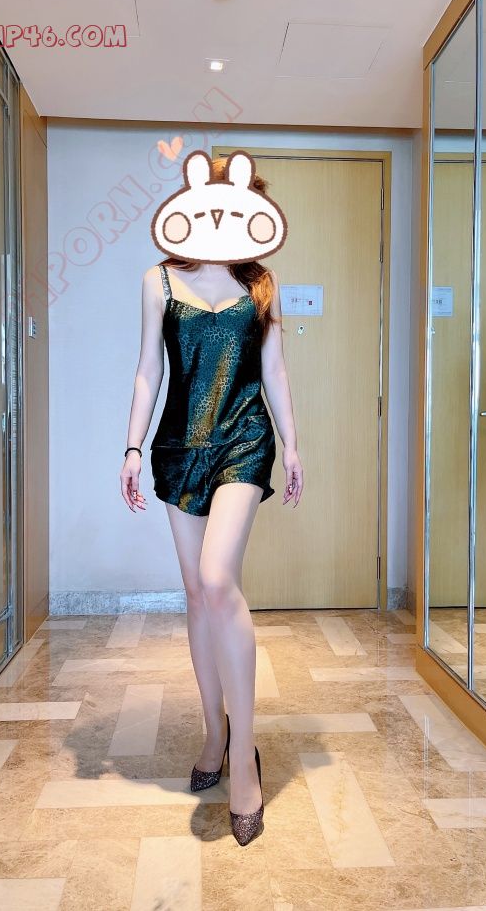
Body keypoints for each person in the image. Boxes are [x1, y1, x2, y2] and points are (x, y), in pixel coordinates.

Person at [120, 154, 303, 846]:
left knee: (219, 579)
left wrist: (293, 445)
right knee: (197, 593)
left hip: (243, 439)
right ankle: (212, 733)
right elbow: (148, 369)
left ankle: (244, 756)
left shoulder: (262, 285)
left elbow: (274, 369)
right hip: (178, 443)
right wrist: (132, 447)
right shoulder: (158, 280)